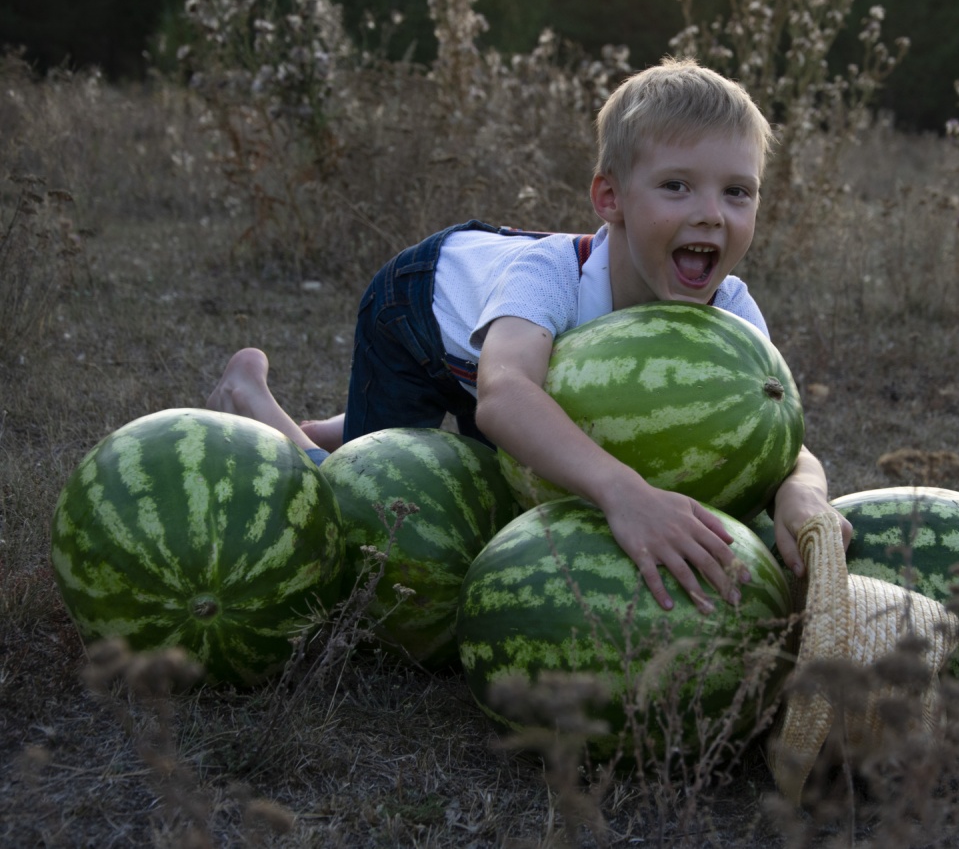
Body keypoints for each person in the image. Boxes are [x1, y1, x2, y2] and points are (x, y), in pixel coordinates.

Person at [208, 56, 851, 614]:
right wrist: (624, 493)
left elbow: (785, 438)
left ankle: (332, 419)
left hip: (506, 357)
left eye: (737, 192)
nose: (711, 212)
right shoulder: (549, 276)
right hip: (419, 312)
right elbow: (506, 393)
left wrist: (803, 494)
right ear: (609, 197)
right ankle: (263, 412)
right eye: (676, 186)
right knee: (375, 477)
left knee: (527, 437)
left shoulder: (732, 309)